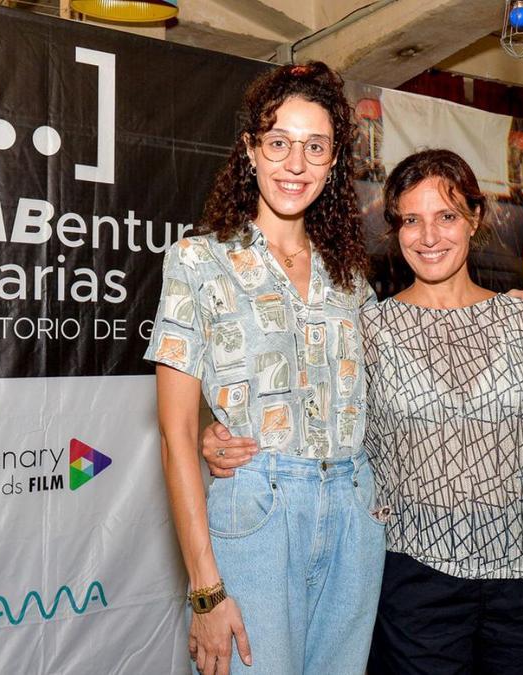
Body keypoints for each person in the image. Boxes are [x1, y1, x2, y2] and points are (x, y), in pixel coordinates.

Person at [202, 149, 523, 673]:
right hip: (416, 581)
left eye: (446, 216)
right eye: (412, 219)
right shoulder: (368, 327)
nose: (429, 237)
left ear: (474, 218)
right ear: (394, 229)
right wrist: (218, 434)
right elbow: (310, 409)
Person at [145, 62, 385, 675]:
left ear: (334, 163)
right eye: (278, 142)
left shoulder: (351, 278)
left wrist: (510, 312)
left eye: (315, 147)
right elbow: (175, 434)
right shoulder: (198, 260)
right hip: (256, 509)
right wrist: (204, 590)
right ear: (250, 149)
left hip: (356, 510)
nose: (295, 164)